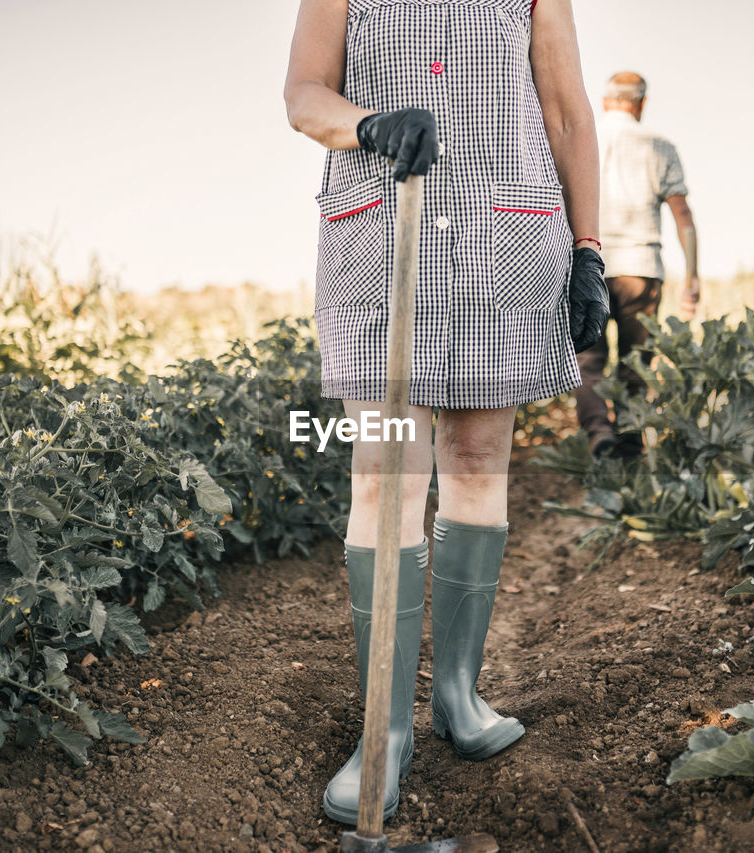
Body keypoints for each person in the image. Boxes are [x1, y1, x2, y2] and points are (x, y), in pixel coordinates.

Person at [284, 0, 608, 826]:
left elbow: (568, 112)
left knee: (475, 463)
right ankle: (382, 731)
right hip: (380, 239)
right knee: (385, 474)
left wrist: (589, 247)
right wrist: (370, 124)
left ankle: (457, 696)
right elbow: (304, 95)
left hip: (507, 236)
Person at [576, 71, 699, 458]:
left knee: (587, 360)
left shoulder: (582, 139)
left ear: (604, 102)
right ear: (642, 104)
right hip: (640, 268)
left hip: (588, 263)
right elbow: (684, 217)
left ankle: (599, 435)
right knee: (636, 361)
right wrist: (692, 277)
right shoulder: (660, 146)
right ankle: (629, 437)